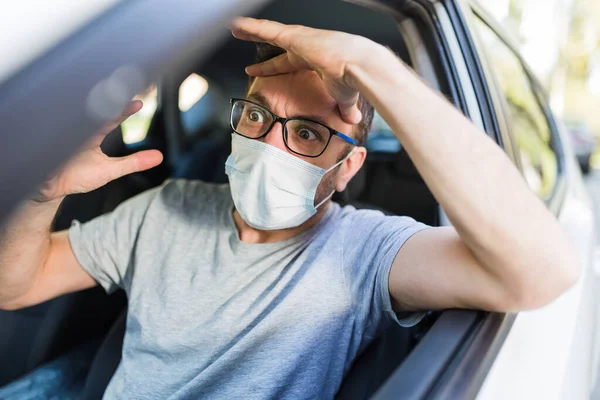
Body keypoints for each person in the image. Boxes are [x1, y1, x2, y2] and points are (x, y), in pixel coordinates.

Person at [0, 17, 580, 399]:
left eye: (306, 133)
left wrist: (371, 66)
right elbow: (14, 288)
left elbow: (541, 272)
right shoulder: (166, 207)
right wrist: (39, 194)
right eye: (256, 116)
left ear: (348, 167)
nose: (269, 145)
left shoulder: (367, 251)